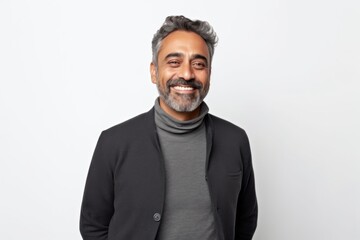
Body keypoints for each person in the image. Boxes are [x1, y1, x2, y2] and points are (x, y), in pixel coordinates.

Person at [80, 15, 258, 240]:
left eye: (199, 64)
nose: (186, 74)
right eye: (174, 62)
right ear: (154, 72)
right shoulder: (114, 142)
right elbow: (93, 226)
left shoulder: (235, 140)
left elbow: (245, 221)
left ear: (209, 74)